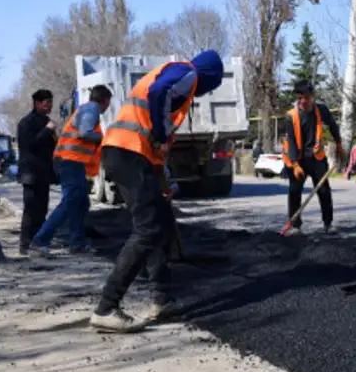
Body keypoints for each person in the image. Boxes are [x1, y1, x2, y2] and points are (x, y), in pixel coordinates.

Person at [88, 50, 225, 333]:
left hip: (131, 155)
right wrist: (162, 138)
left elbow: (154, 132)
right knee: (148, 229)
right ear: (209, 77)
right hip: (126, 153)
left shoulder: (177, 81)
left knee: (160, 224)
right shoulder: (188, 72)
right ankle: (106, 308)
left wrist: (163, 181)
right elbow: (159, 95)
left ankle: (162, 300)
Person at [28, 85, 113, 257]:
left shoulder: (87, 109)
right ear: (104, 100)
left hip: (71, 161)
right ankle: (39, 241)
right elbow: (85, 133)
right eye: (109, 103)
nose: (108, 106)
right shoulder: (91, 109)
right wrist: (103, 138)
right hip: (69, 161)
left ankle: (77, 243)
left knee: (81, 203)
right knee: (71, 201)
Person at [281, 81, 344, 235]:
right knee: (294, 191)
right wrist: (295, 164)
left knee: (324, 190)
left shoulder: (321, 110)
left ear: (312, 97)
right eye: (300, 98)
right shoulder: (291, 116)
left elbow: (333, 125)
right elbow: (291, 142)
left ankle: (328, 224)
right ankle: (295, 225)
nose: (303, 101)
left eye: (306, 97)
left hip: (316, 157)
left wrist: (339, 144)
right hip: (298, 159)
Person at [16, 89, 56, 255]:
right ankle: (26, 244)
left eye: (50, 103)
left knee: (42, 209)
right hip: (31, 173)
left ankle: (38, 241)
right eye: (46, 103)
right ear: (37, 103)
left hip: (44, 172)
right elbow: (30, 145)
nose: (49, 107)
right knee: (31, 210)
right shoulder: (27, 122)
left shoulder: (46, 120)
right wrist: (47, 130)